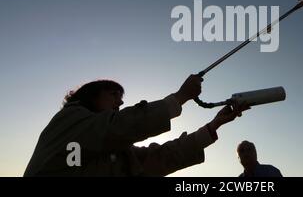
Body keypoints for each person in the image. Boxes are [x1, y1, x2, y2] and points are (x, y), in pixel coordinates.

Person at [24, 75, 248, 176]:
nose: (120, 102)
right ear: (90, 96)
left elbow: (160, 157)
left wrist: (214, 126)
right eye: (114, 95)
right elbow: (118, 126)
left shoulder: (113, 150)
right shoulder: (69, 120)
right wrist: (180, 97)